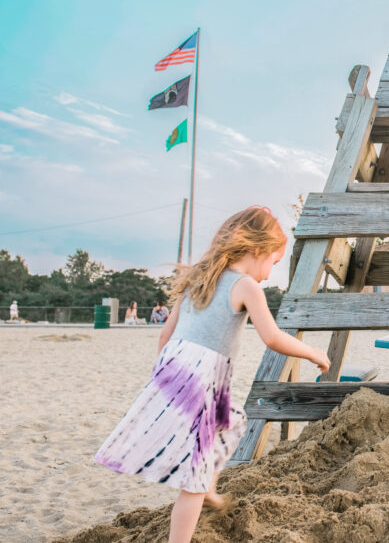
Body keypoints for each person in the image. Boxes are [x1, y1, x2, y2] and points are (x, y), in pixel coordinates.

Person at [94, 206, 330, 543]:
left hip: (175, 367)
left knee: (232, 422)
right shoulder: (246, 286)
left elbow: (165, 336)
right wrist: (314, 353)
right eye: (272, 264)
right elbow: (273, 337)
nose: (268, 275)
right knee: (193, 480)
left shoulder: (199, 279)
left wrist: (163, 381)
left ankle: (209, 486)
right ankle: (195, 505)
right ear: (257, 249)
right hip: (200, 377)